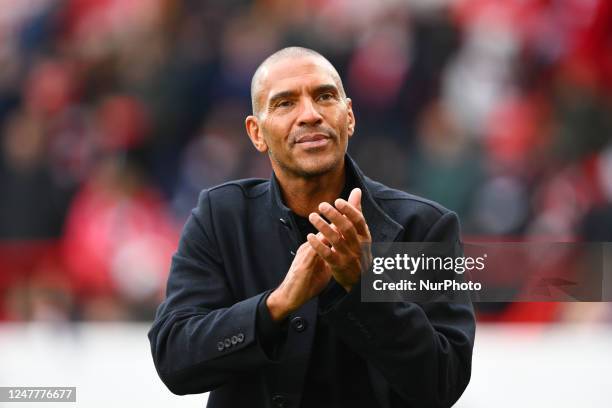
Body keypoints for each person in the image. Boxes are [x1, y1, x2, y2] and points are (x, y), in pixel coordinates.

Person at [148, 47, 475, 408]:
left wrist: (363, 287)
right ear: (256, 133)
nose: (310, 114)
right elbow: (174, 360)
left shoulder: (423, 227)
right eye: (285, 103)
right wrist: (276, 305)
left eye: (324, 96)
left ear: (348, 117)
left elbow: (443, 383)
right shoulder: (221, 218)